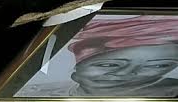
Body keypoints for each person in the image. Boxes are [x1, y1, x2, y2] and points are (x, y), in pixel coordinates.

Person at [17, 15, 178, 97]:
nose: (126, 74)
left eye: (159, 65)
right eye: (109, 64)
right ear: (79, 64)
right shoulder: (32, 92)